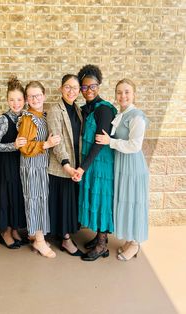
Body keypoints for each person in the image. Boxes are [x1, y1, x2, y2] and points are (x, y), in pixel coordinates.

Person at [96, 78, 149, 261]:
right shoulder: (121, 114)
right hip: (121, 163)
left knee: (133, 201)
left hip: (132, 165)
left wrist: (110, 142)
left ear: (134, 94)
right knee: (125, 200)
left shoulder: (136, 116)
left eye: (127, 92)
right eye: (119, 92)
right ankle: (129, 239)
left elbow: (135, 145)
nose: (123, 95)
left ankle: (135, 244)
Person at [73, 64, 117, 261]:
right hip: (90, 161)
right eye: (84, 87)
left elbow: (100, 142)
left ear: (99, 86)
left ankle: (102, 245)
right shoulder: (85, 108)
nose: (89, 91)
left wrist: (83, 167)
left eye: (93, 86)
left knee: (101, 200)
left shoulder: (104, 110)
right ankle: (100, 237)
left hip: (101, 163)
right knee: (94, 197)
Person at [17, 81, 60, 258]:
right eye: (31, 96)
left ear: (44, 95)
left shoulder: (43, 115)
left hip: (41, 165)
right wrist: (46, 144)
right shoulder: (28, 118)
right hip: (31, 166)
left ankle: (37, 236)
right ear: (27, 99)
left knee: (41, 201)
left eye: (38, 95)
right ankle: (40, 241)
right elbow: (24, 148)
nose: (34, 99)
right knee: (35, 202)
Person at [46, 74, 83, 256]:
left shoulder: (77, 110)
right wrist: (67, 165)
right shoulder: (55, 110)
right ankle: (66, 240)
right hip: (61, 167)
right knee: (63, 204)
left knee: (70, 203)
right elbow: (57, 142)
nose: (71, 91)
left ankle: (66, 236)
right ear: (61, 88)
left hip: (75, 165)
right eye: (67, 87)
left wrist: (77, 167)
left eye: (75, 88)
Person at [0, 75, 27, 249]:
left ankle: (14, 229)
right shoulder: (4, 119)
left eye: (19, 99)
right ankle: (4, 232)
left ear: (24, 100)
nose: (16, 103)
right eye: (12, 100)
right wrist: (13, 145)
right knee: (6, 197)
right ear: (7, 100)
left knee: (16, 196)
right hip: (6, 165)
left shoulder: (25, 118)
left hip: (19, 165)